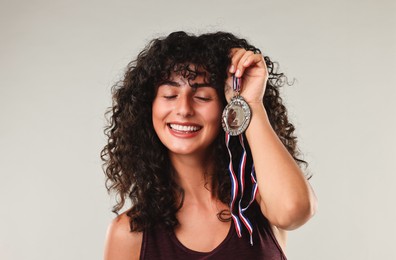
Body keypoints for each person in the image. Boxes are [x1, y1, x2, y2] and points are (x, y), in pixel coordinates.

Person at [101, 31, 317, 260]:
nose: (184, 109)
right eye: (170, 95)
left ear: (226, 107)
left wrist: (250, 103)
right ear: (148, 108)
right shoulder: (130, 233)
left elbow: (294, 210)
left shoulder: (260, 200)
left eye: (202, 97)